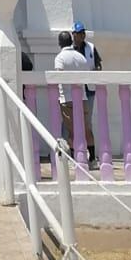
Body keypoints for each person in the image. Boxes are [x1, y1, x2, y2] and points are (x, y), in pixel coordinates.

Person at [54, 23, 100, 167]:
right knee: (85, 128)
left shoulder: (60, 58)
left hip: (67, 99)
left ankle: (77, 158)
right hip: (83, 97)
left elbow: (58, 77)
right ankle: (92, 158)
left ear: (60, 43)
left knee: (72, 130)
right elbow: (87, 75)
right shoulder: (81, 58)